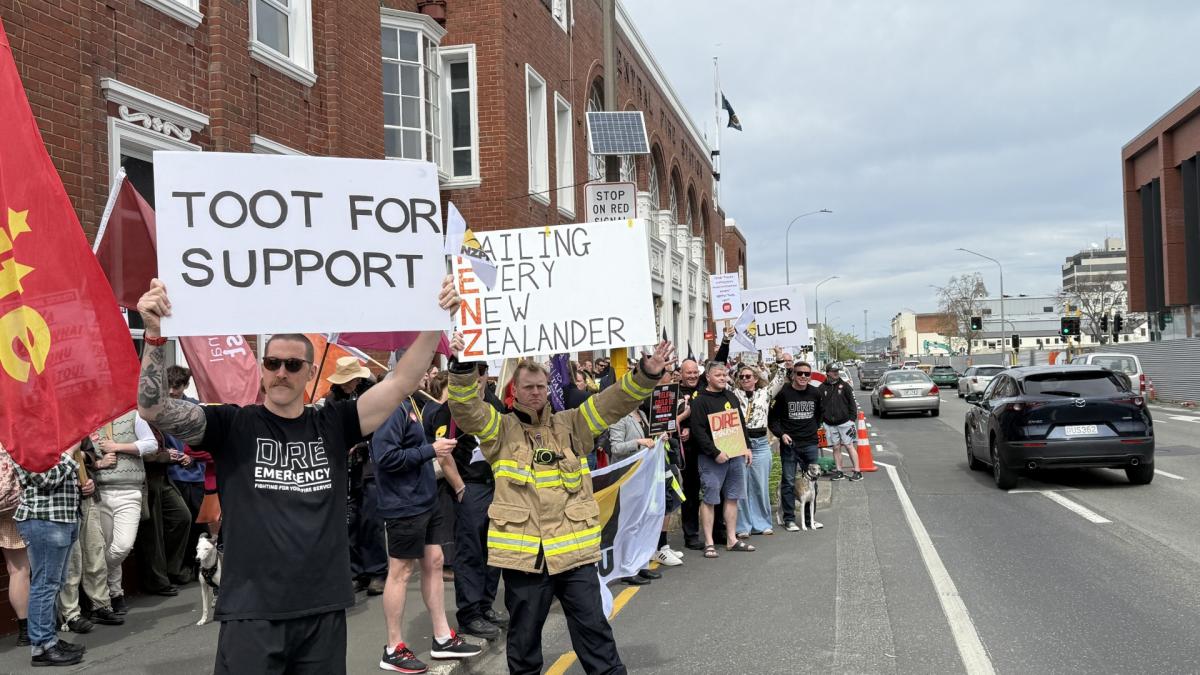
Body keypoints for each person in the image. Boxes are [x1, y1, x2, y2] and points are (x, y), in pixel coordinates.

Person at [134, 276, 459, 675]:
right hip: (251, 612)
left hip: (321, 609)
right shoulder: (232, 425)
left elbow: (401, 382)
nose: (281, 372)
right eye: (272, 363)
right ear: (262, 370)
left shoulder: (335, 423)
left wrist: (435, 319)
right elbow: (152, 409)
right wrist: (152, 334)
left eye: (292, 364)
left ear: (309, 374)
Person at [447, 335, 674, 675]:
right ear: (516, 391)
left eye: (541, 385)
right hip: (526, 559)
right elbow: (465, 409)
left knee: (596, 636)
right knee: (523, 644)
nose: (536, 392)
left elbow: (614, 401)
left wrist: (646, 374)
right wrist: (463, 364)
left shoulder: (572, 424)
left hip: (575, 557)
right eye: (529, 387)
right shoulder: (500, 429)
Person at [372, 382, 482, 674]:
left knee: (434, 562)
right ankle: (393, 648)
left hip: (423, 499)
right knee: (401, 571)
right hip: (403, 504)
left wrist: (430, 448)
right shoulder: (393, 407)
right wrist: (430, 450)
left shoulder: (411, 404)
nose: (427, 373)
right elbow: (385, 458)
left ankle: (443, 637)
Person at [430, 363, 509, 641]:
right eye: (471, 375)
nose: (477, 381)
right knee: (471, 552)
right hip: (471, 487)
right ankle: (470, 614)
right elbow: (443, 452)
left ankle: (485, 606)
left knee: (494, 551)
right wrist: (460, 486)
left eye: (481, 374)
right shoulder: (449, 409)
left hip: (496, 485)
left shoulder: (494, 403)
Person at [13, 449, 88, 667]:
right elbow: (45, 479)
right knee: (45, 585)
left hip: (62, 516)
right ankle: (41, 647)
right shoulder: (25, 439)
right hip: (45, 518)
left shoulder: (45, 439)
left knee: (54, 584)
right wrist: (71, 451)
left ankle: (50, 640)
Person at [324, 357, 388, 597]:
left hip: (369, 466)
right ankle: (355, 571)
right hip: (344, 467)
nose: (349, 385)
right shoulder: (332, 400)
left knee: (371, 520)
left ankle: (377, 571)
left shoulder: (370, 395)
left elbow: (378, 428)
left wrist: (360, 444)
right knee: (348, 521)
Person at [91, 410, 159, 613]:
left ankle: (96, 575)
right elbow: (83, 458)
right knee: (106, 545)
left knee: (123, 546)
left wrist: (117, 447)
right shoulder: (89, 420)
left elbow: (151, 444)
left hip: (129, 491)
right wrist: (99, 463)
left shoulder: (132, 415)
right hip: (100, 492)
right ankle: (115, 594)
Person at [687, 361, 754, 558]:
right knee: (709, 499)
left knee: (732, 497)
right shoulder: (699, 401)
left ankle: (731, 539)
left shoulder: (730, 396)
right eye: (718, 375)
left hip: (735, 455)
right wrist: (714, 453)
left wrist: (746, 447)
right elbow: (698, 432)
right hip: (711, 459)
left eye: (725, 375)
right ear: (708, 377)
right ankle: (709, 542)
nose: (723, 378)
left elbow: (740, 423)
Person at [57, 443, 124, 634]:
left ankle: (100, 605)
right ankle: (70, 614)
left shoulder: (76, 424)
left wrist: (87, 467)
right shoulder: (43, 426)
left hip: (87, 496)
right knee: (71, 561)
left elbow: (92, 456)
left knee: (96, 552)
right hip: (62, 500)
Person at [608, 401, 677, 577]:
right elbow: (615, 448)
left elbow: (650, 442)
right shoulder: (619, 417)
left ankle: (640, 563)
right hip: (629, 477)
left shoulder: (643, 415)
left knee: (643, 521)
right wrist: (638, 442)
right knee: (630, 523)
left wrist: (659, 439)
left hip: (646, 475)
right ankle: (627, 567)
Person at [730, 356, 788, 538]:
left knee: (760, 486)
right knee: (742, 486)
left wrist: (780, 360)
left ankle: (762, 523)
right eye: (742, 377)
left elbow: (779, 379)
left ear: (755, 378)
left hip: (760, 443)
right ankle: (743, 526)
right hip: (740, 443)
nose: (745, 379)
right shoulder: (733, 394)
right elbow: (718, 379)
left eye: (749, 376)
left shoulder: (764, 393)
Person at [769, 361, 825, 532]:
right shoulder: (783, 393)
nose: (802, 377)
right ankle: (789, 519)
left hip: (809, 443)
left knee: (812, 481)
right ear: (793, 374)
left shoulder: (815, 393)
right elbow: (772, 419)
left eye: (806, 374)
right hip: (790, 444)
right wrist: (781, 434)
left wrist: (813, 429)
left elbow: (819, 415)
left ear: (810, 376)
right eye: (799, 373)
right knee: (788, 481)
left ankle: (810, 520)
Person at [165, 366, 207, 583]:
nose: (172, 391)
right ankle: (179, 567)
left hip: (196, 475)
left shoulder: (196, 408)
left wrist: (194, 457)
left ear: (186, 385)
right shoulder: (159, 409)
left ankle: (194, 565)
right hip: (173, 474)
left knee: (199, 523)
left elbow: (206, 440)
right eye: (169, 386)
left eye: (177, 386)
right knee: (181, 522)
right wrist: (166, 452)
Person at [0, 445, 31, 647]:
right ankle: (26, 630)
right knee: (19, 570)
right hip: (12, 508)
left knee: (15, 569)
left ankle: (25, 630)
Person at [821, 364, 863, 482]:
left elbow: (852, 403)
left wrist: (852, 419)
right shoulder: (822, 387)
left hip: (845, 422)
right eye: (833, 371)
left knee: (849, 446)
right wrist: (823, 420)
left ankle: (857, 471)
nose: (836, 373)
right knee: (836, 447)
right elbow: (820, 405)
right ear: (828, 372)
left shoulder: (845, 386)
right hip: (830, 424)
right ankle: (839, 471)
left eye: (837, 371)